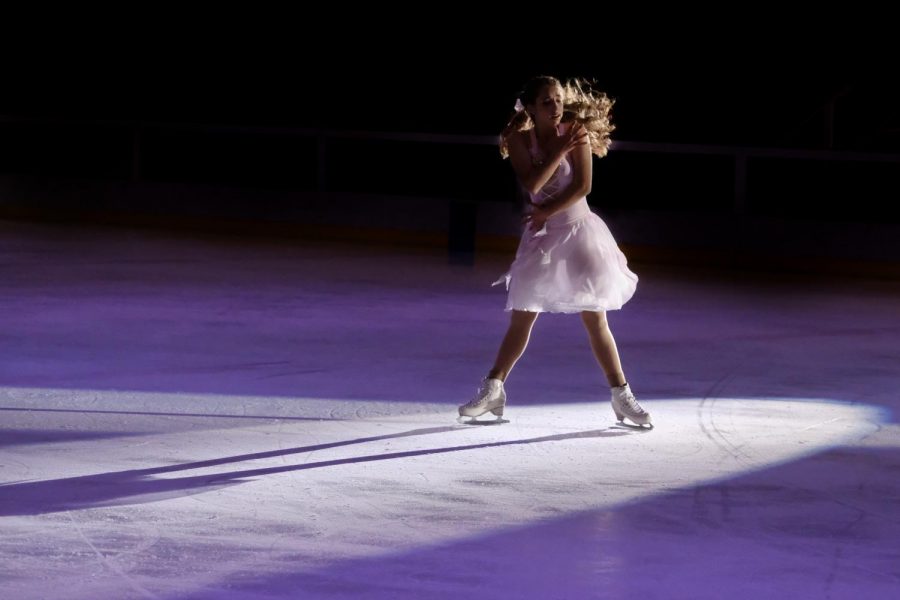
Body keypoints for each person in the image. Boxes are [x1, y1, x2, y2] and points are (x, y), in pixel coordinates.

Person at [457, 75, 652, 427]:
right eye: (546, 101)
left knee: (595, 317)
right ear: (530, 107)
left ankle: (621, 395)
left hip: (580, 232)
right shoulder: (518, 140)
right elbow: (532, 183)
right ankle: (494, 388)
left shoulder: (575, 130)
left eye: (558, 99)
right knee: (522, 314)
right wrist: (559, 152)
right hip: (542, 239)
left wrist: (548, 208)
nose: (555, 107)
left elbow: (583, 185)